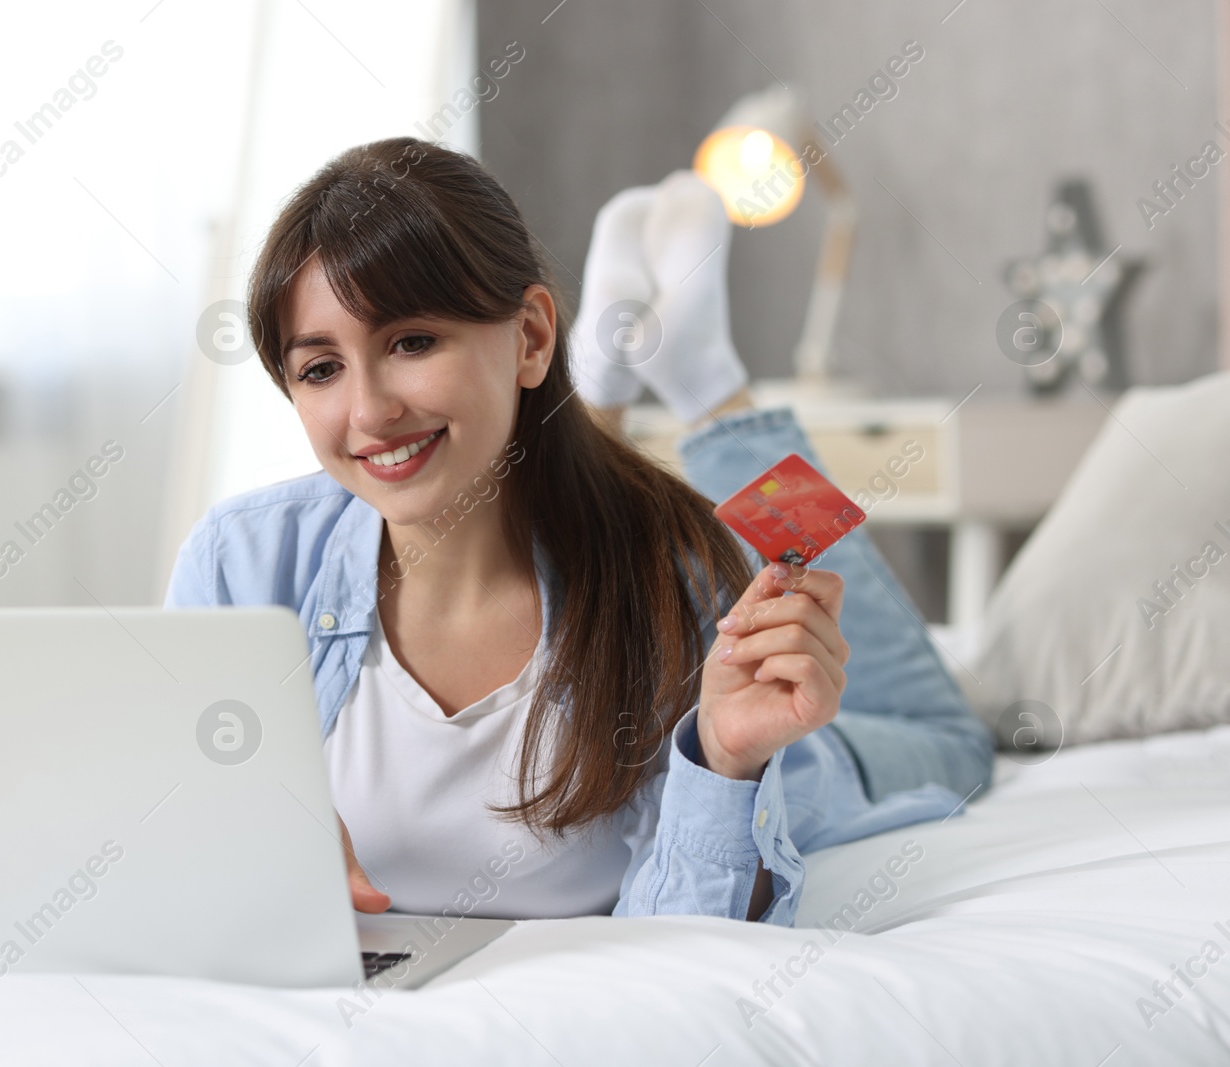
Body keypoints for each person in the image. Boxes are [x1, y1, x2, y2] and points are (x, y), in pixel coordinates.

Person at [163, 137, 993, 926]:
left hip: (796, 758)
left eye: (412, 342)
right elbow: (170, 837)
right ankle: (610, 374)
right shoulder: (240, 566)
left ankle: (707, 383)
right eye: (320, 368)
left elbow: (683, 935)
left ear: (528, 336)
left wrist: (726, 758)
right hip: (555, 452)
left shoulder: (681, 574)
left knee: (953, 740)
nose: (370, 411)